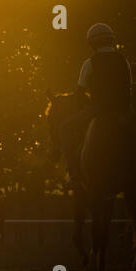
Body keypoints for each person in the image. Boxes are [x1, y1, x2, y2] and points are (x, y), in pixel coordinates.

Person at [60, 23, 133, 188]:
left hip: (99, 110)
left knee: (64, 128)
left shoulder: (90, 63)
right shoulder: (124, 61)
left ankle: (74, 175)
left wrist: (85, 106)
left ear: (92, 44)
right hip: (125, 111)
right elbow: (128, 88)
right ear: (111, 40)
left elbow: (79, 94)